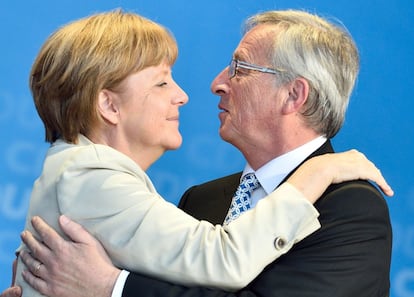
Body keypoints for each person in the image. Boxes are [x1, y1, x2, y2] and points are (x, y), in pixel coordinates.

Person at [2, 9, 393, 297]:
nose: (214, 84)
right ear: (108, 105)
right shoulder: (200, 200)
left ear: (294, 94)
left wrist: (111, 286)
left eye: (239, 68)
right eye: (161, 83)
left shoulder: (353, 209)